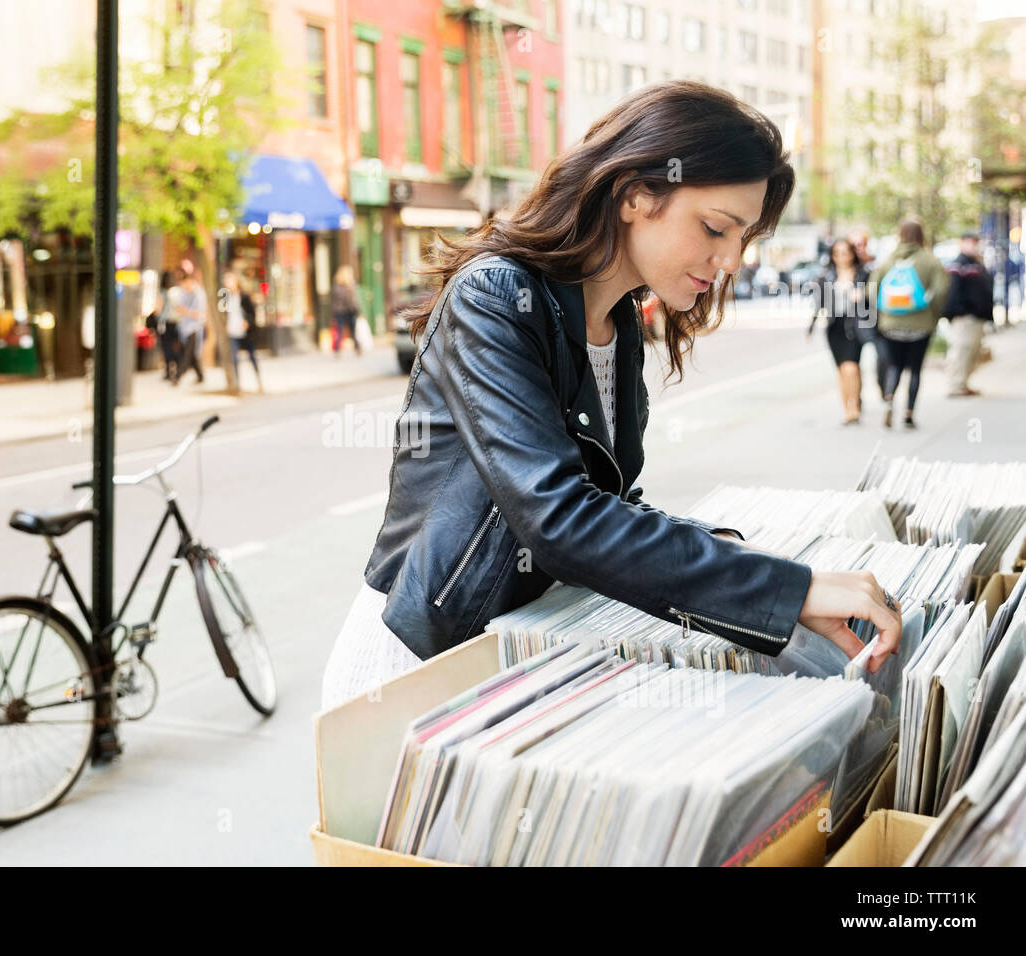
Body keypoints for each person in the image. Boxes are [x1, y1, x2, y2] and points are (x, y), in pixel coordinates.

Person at [319, 81, 902, 710]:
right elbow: (560, 518)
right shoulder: (494, 296)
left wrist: (741, 559)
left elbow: (607, 507)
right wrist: (786, 590)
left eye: (745, 239)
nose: (731, 260)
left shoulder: (620, 321)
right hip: (420, 666)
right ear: (635, 195)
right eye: (715, 228)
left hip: (523, 651)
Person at [866, 219, 949, 429]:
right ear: (921, 235)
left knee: (894, 366)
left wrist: (885, 311)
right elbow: (941, 291)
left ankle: (889, 400)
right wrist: (932, 314)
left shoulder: (887, 261)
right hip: (921, 325)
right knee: (915, 370)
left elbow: (870, 290)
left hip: (891, 325)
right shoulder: (930, 261)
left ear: (899, 235)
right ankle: (909, 414)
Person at [807, 239, 871, 425]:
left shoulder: (863, 274)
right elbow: (819, 303)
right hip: (834, 327)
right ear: (833, 256)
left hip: (855, 326)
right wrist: (811, 326)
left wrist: (863, 296)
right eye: (838, 253)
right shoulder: (826, 276)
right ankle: (848, 409)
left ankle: (855, 406)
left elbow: (873, 298)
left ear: (852, 254)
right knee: (842, 370)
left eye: (845, 252)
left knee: (852, 367)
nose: (842, 257)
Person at [942, 232, 995, 397]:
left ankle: (963, 384)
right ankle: (956, 385)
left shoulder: (977, 264)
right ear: (962, 243)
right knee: (961, 350)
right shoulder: (958, 265)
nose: (974, 245)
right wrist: (957, 312)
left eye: (975, 242)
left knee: (971, 351)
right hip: (965, 316)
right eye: (970, 242)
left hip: (977, 316)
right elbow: (952, 292)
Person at [221, 269, 263, 392]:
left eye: (229, 280)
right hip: (233, 331)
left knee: (252, 357)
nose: (227, 283)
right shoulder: (225, 297)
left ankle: (259, 381)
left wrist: (247, 323)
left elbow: (252, 313)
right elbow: (224, 313)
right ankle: (237, 385)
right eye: (226, 281)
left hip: (246, 332)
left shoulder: (244, 297)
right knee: (234, 358)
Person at [170, 268, 208, 386]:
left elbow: (200, 314)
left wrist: (185, 311)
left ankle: (177, 376)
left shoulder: (199, 295)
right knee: (192, 355)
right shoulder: (185, 294)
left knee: (187, 354)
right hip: (185, 328)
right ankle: (200, 375)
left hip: (195, 328)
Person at [330, 265, 362, 356]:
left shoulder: (336, 286)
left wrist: (333, 312)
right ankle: (357, 348)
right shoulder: (350, 286)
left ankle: (337, 350)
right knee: (352, 331)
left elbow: (333, 299)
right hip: (349, 311)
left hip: (339, 311)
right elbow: (353, 300)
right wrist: (358, 311)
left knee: (339, 331)